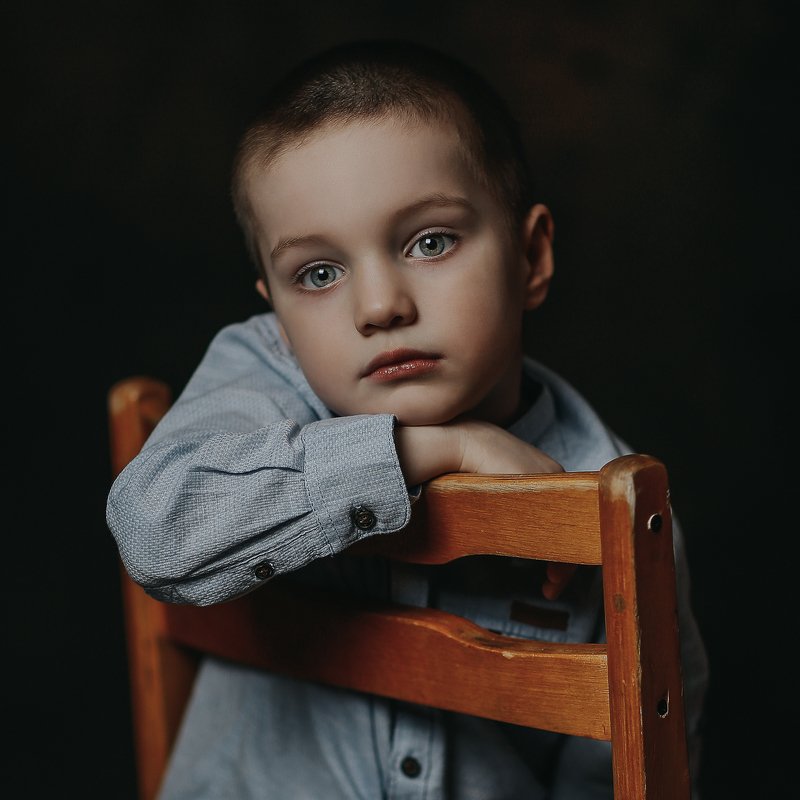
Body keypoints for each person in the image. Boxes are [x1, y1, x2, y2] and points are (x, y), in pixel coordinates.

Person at [106, 39, 708, 799]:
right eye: (318, 274)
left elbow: (630, 770)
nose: (380, 305)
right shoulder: (265, 375)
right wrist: (426, 449)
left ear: (531, 257)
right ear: (278, 314)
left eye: (430, 241)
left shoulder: (615, 508)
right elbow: (157, 531)